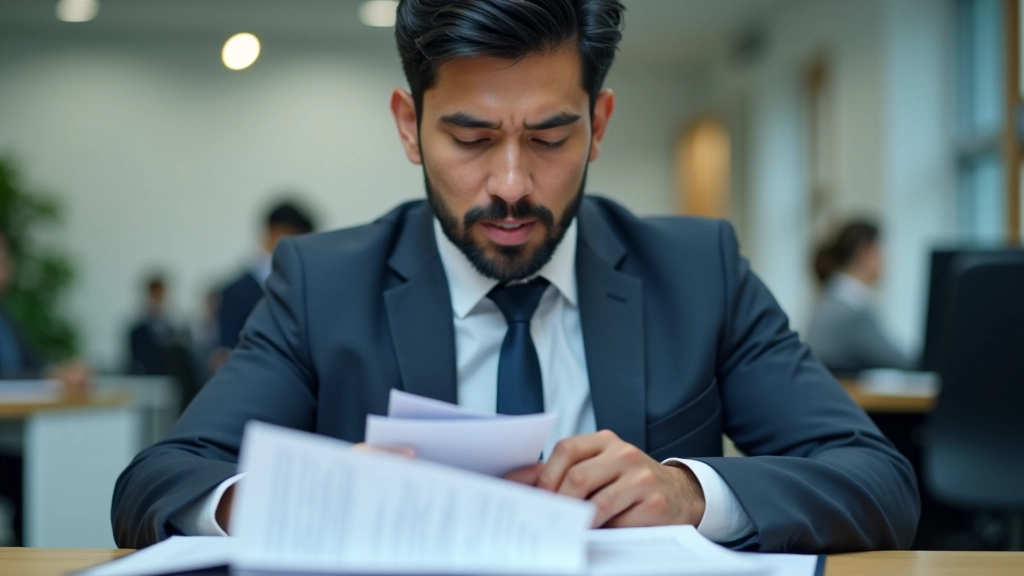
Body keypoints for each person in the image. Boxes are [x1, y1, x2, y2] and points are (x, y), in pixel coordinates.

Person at [112, 0, 919, 553]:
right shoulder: (322, 285)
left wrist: (690, 494)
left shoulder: (697, 273)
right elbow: (159, 480)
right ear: (409, 127)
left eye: (548, 137)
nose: (509, 184)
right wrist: (297, 497)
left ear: (598, 124)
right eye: (468, 138)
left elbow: (877, 478)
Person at [0, 227, 89, 545]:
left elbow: (32, 366)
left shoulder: (7, 317)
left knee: (45, 478)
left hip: (11, 440)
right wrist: (47, 377)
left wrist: (57, 373)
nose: (6, 267)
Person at [806, 221, 914, 374]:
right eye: (880, 251)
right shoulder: (849, 311)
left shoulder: (833, 298)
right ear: (865, 253)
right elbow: (900, 361)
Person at [216, 202, 315, 352]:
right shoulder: (235, 292)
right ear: (273, 233)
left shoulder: (307, 286)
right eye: (294, 237)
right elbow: (226, 353)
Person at [127, 274, 184, 376]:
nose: (157, 301)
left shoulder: (176, 328)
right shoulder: (137, 332)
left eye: (160, 296)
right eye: (155, 296)